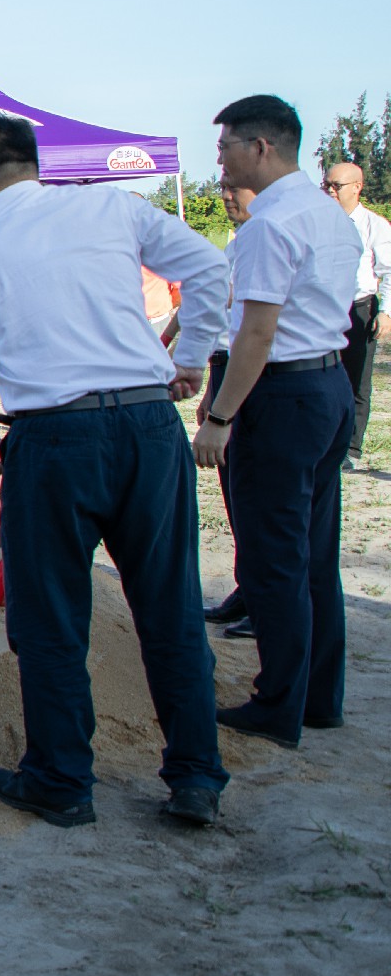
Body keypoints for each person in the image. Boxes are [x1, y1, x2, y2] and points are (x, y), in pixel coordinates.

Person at [0, 115, 230, 828]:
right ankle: (196, 777)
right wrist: (188, 357)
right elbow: (213, 268)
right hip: (146, 428)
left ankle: (62, 779)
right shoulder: (109, 205)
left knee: (49, 619)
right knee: (169, 606)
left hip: (54, 438)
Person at [192, 96, 360, 748]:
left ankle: (278, 704)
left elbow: (257, 332)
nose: (221, 161)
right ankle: (320, 699)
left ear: (261, 147)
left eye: (226, 147)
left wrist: (221, 416)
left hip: (281, 396)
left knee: (273, 558)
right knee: (314, 554)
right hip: (326, 385)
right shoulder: (326, 213)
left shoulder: (271, 224)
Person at [203, 180, 262, 635]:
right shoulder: (237, 242)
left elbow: (257, 333)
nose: (225, 194)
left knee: (258, 500)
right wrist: (211, 391)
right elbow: (224, 322)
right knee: (237, 494)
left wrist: (224, 412)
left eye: (234, 187)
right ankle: (249, 588)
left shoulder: (266, 235)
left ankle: (264, 601)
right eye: (221, 188)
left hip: (257, 376)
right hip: (226, 365)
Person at [322, 161, 390, 470]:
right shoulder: (318, 223)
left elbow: (387, 272)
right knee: (322, 376)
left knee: (356, 379)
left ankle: (351, 447)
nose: (330, 191)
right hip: (324, 309)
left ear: (357, 187)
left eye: (336, 185)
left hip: (359, 307)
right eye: (327, 185)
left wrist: (386, 313)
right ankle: (326, 440)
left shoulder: (374, 225)